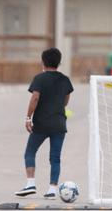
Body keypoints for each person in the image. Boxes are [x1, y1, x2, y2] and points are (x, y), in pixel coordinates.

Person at [15, 48, 74, 199]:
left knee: (30, 152)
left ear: (43, 62)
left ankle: (30, 184)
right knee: (55, 157)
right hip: (59, 124)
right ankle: (52, 189)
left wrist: (28, 117)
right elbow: (66, 99)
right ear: (59, 62)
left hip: (41, 123)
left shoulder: (39, 79)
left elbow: (35, 98)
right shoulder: (65, 80)